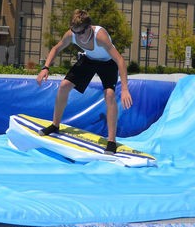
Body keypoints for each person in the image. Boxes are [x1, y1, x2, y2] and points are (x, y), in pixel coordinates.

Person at [36, 9, 133, 154]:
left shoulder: (100, 36)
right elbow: (56, 48)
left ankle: (111, 141)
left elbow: (119, 60)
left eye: (81, 32)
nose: (78, 37)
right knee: (64, 86)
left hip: (108, 63)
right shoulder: (72, 34)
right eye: (75, 32)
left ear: (89, 27)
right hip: (89, 59)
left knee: (110, 95)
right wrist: (45, 67)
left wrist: (125, 88)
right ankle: (55, 125)